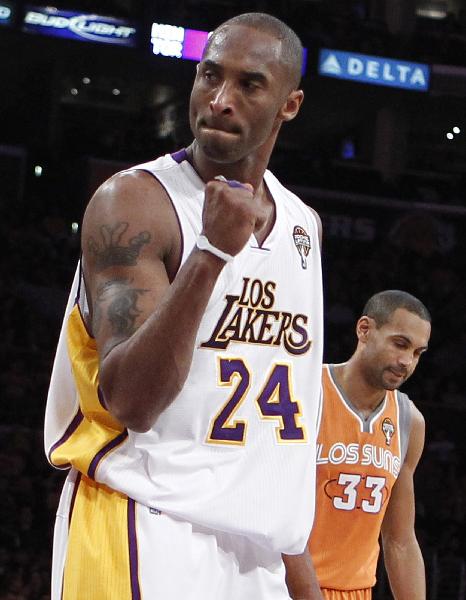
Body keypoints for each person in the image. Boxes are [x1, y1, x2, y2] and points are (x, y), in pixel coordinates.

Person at [44, 12, 324, 600]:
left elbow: (281, 438)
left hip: (256, 554)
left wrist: (300, 576)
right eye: (209, 76)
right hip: (143, 520)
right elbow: (130, 400)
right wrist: (211, 251)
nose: (220, 100)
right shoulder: (135, 202)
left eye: (249, 84)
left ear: (289, 106)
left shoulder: (305, 227)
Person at [288, 290, 431, 599]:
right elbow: (270, 510)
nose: (406, 361)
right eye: (400, 343)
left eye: (418, 352)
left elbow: (400, 541)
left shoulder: (409, 420)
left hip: (356, 591)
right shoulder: (306, 392)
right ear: (364, 330)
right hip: (285, 585)